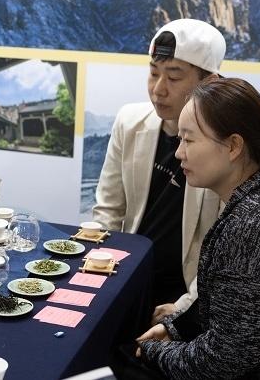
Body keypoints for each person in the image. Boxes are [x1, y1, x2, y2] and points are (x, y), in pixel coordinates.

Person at [132, 77, 260, 379]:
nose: (178, 153)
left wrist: (152, 351)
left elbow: (223, 360)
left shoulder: (254, 229)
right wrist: (176, 327)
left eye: (189, 140)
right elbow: (235, 314)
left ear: (233, 146)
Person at [92, 19, 225, 325]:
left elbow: (225, 253)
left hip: (188, 291)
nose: (158, 89)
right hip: (126, 277)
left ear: (209, 82)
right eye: (153, 73)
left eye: (174, 78)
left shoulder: (225, 146)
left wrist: (186, 309)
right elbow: (108, 210)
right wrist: (97, 271)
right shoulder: (130, 122)